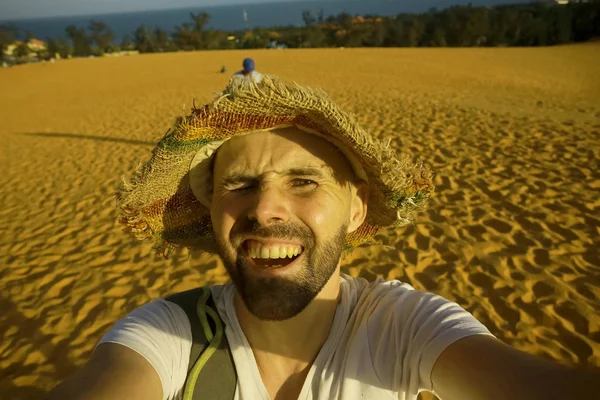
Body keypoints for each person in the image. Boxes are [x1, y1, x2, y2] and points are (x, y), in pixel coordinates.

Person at [46, 76, 598, 400]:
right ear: (212, 209)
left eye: (303, 182)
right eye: (238, 185)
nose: (264, 209)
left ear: (356, 210)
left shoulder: (405, 328)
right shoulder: (168, 333)